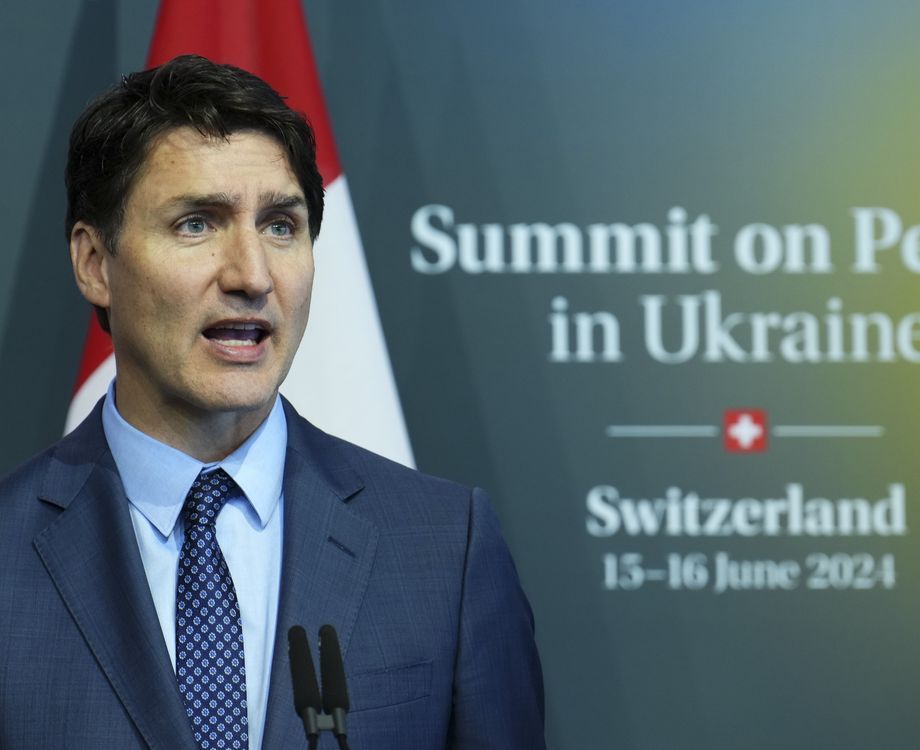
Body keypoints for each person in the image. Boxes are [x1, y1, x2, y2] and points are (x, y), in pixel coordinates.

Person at [0, 54, 545, 750]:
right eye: (197, 223)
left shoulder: (446, 551)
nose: (252, 274)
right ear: (95, 263)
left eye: (281, 226)